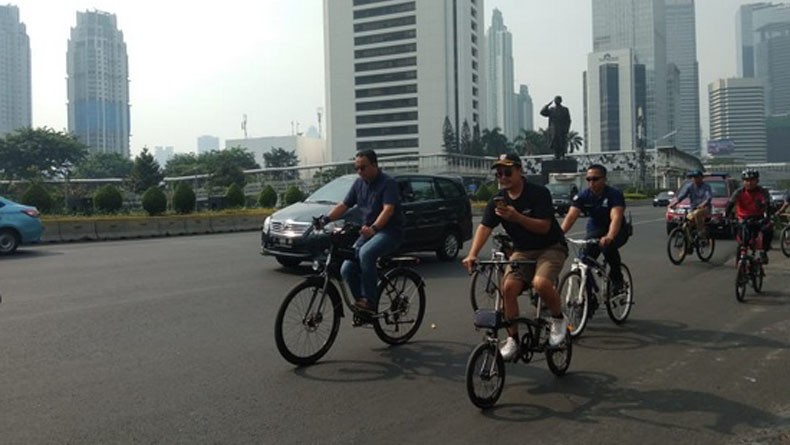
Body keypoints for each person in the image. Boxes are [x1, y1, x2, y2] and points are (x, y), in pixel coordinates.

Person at [461, 153, 569, 358]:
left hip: (551, 247)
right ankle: (513, 340)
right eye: (499, 173)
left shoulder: (538, 193)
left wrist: (517, 217)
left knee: (541, 283)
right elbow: (484, 228)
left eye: (508, 172)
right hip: (522, 250)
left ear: (520, 171)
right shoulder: (497, 201)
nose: (503, 177)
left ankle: (558, 319)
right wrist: (472, 254)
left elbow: (544, 227)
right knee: (508, 288)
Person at [322, 149, 404, 313]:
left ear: (374, 165)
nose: (359, 172)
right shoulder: (359, 183)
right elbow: (344, 205)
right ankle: (361, 305)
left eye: (363, 168)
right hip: (367, 232)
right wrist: (325, 219)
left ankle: (370, 302)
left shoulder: (388, 183)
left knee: (366, 253)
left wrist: (374, 228)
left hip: (389, 232)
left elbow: (388, 210)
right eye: (356, 168)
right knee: (346, 268)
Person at [560, 164, 629, 294]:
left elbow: (616, 217)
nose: (591, 182)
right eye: (588, 179)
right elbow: (571, 216)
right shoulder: (583, 196)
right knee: (583, 262)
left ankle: (617, 280)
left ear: (604, 179)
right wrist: (558, 234)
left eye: (595, 179)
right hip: (595, 229)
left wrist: (609, 236)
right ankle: (588, 297)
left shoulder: (614, 195)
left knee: (608, 247)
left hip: (617, 230)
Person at [725, 168, 773, 264]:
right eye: (746, 181)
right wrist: (727, 217)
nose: (749, 183)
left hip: (758, 218)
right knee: (742, 238)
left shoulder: (763, 192)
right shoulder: (739, 192)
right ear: (743, 181)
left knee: (768, 230)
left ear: (757, 181)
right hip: (743, 218)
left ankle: (763, 252)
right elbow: (730, 205)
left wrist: (767, 218)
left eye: (752, 180)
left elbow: (768, 206)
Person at [669, 170, 713, 240]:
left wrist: (703, 204)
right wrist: (674, 203)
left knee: (697, 213)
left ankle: (700, 231)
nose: (695, 179)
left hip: (705, 208)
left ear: (701, 178)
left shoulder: (706, 187)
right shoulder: (690, 186)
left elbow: (708, 198)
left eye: (697, 177)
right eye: (694, 177)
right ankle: (689, 242)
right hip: (693, 209)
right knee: (686, 223)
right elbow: (682, 196)